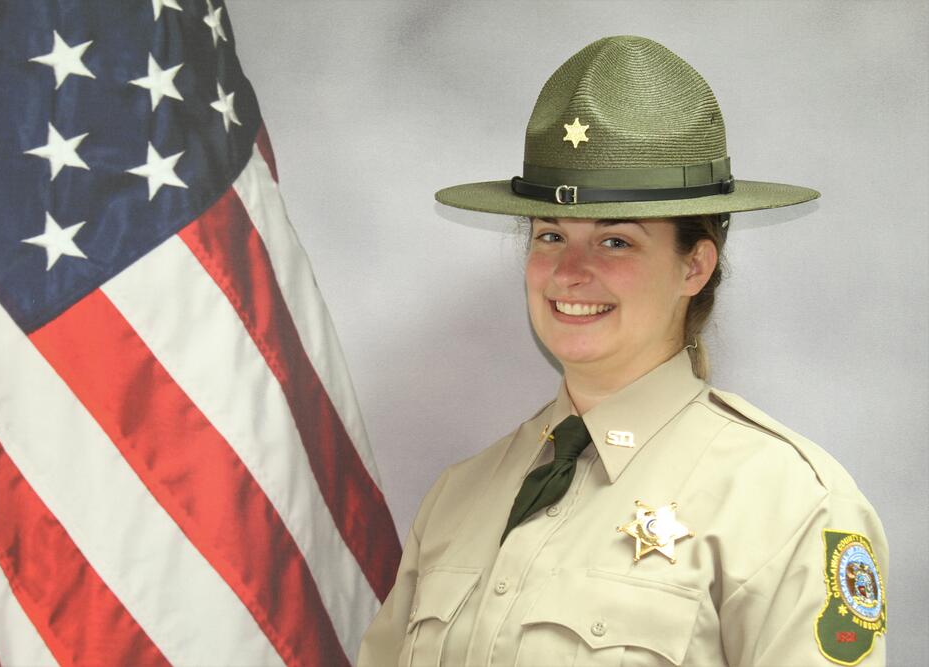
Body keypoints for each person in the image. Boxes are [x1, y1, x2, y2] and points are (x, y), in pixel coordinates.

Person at [359, 36, 887, 666]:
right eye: (550, 235)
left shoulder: (789, 504)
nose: (569, 272)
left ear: (695, 265)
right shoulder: (459, 497)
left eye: (616, 242)